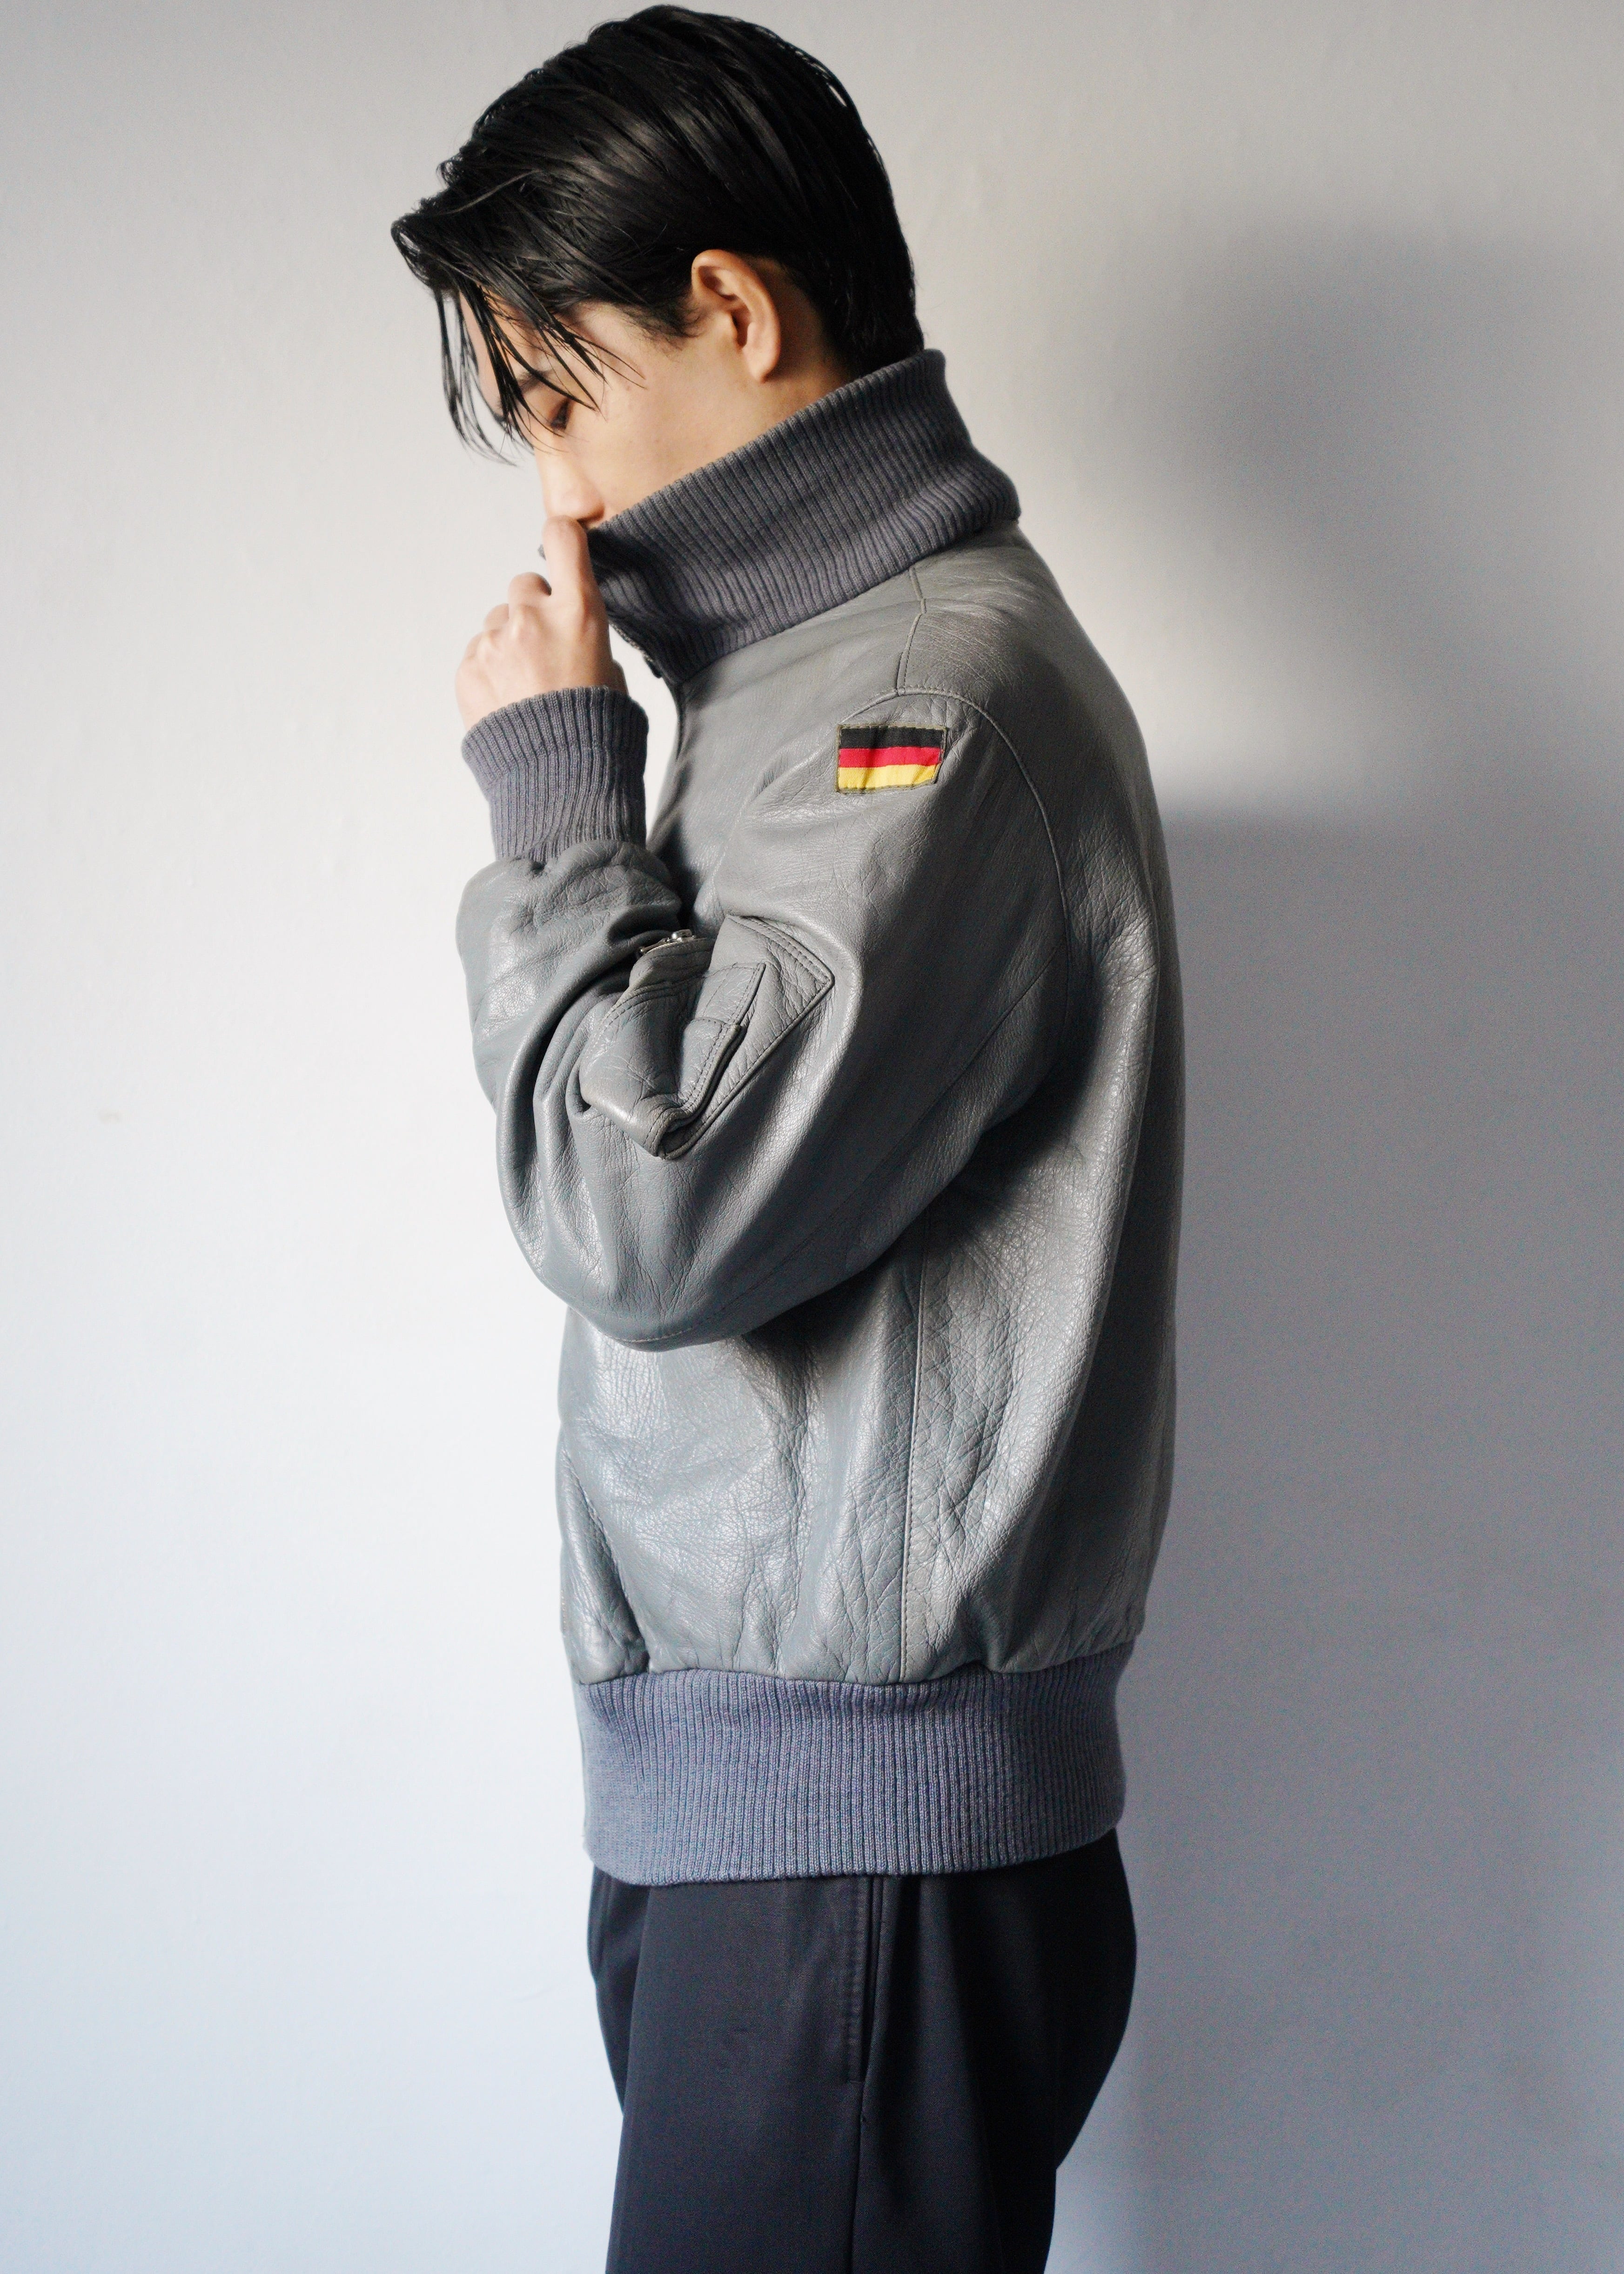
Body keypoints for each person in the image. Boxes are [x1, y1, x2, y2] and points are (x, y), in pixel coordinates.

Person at [391, 10, 1183, 2268]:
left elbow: (654, 1217)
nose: (552, 489)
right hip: (804, 1837)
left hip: (856, 1856)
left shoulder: (911, 709)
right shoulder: (808, 686)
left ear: (732, 309)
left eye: (557, 396)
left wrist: (559, 802)